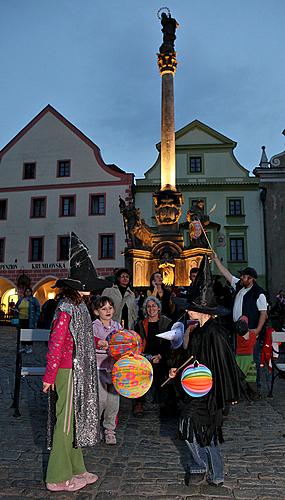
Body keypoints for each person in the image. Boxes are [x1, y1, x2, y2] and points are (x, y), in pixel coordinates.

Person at [169, 256, 244, 487]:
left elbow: (226, 365)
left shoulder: (216, 334)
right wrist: (177, 370)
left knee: (205, 432)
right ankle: (202, 466)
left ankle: (215, 472)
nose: (188, 313)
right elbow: (191, 359)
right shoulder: (199, 330)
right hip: (195, 389)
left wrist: (228, 396)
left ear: (203, 311)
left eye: (192, 310)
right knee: (191, 427)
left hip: (211, 394)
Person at [42, 278, 100, 493]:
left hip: (78, 369)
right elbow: (56, 341)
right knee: (65, 423)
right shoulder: (67, 307)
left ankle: (76, 468)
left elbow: (78, 337)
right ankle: (57, 476)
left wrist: (97, 342)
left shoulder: (79, 306)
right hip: (67, 371)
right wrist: (50, 376)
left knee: (74, 421)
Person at [211, 253, 268, 393]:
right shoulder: (239, 285)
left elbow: (263, 314)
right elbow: (226, 274)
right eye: (241, 276)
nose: (241, 278)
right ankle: (241, 385)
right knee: (239, 358)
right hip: (237, 331)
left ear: (251, 279)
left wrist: (257, 330)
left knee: (252, 361)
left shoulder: (258, 293)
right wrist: (216, 260)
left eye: (244, 276)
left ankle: (254, 388)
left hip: (250, 333)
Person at [91, 296, 121, 445]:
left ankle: (109, 429)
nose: (108, 311)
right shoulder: (94, 326)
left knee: (114, 401)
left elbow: (124, 342)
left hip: (115, 368)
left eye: (110, 308)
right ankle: (94, 425)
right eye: (103, 308)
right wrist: (98, 343)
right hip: (99, 367)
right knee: (101, 399)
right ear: (97, 312)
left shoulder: (117, 326)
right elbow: (89, 340)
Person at [134, 296, 172, 417]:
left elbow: (169, 343)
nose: (151, 309)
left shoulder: (167, 322)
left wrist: (160, 356)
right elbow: (136, 342)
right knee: (140, 376)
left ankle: (165, 404)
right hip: (144, 356)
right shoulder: (140, 324)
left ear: (158, 308)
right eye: (148, 306)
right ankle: (139, 403)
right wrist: (143, 355)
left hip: (162, 356)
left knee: (164, 376)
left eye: (154, 306)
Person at [16, 287, 40, 354]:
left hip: (29, 320)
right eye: (26, 291)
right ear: (24, 292)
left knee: (29, 334)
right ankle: (23, 347)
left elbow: (38, 309)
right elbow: (16, 307)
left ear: (31, 292)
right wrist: (16, 311)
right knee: (22, 334)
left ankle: (29, 347)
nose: (27, 292)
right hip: (21, 319)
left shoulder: (34, 300)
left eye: (29, 291)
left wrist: (36, 318)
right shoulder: (21, 300)